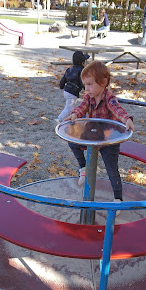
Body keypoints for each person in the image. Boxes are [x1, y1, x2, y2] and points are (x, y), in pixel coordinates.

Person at [66, 61, 135, 208]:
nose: (87, 89)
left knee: (112, 169)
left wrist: (126, 119)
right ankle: (83, 167)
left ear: (103, 82)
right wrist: (74, 114)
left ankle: (118, 199)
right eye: (85, 85)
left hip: (108, 140)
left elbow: (117, 110)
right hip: (91, 136)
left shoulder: (109, 98)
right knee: (72, 141)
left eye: (90, 84)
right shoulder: (88, 97)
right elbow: (81, 107)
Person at [57, 51, 90, 123]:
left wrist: (61, 86)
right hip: (72, 92)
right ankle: (59, 119)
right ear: (83, 63)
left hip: (66, 91)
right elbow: (81, 82)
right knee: (68, 108)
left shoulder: (69, 69)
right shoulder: (81, 71)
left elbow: (64, 79)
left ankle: (73, 118)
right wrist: (86, 89)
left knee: (73, 106)